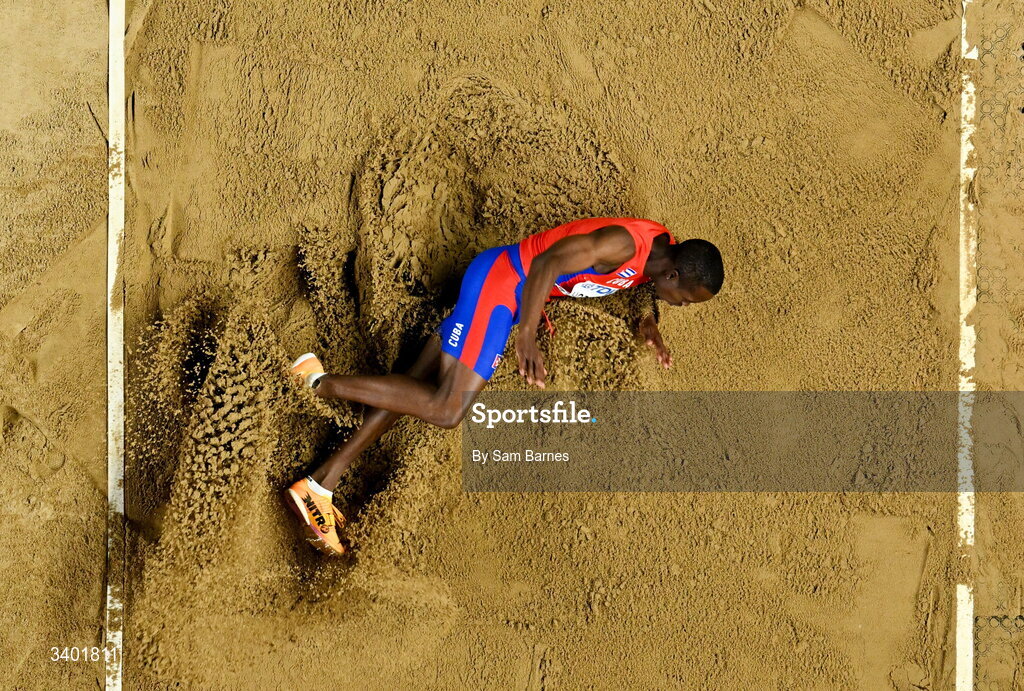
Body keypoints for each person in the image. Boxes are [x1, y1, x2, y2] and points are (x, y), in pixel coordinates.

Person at [282, 217, 724, 554]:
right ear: (673, 276)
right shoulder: (623, 244)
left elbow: (642, 285)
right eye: (685, 298)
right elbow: (549, 262)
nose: (682, 305)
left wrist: (649, 323)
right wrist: (527, 333)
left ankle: (319, 486)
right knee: (446, 408)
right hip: (502, 286)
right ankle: (314, 382)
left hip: (505, 300)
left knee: (414, 385)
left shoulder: (661, 249)